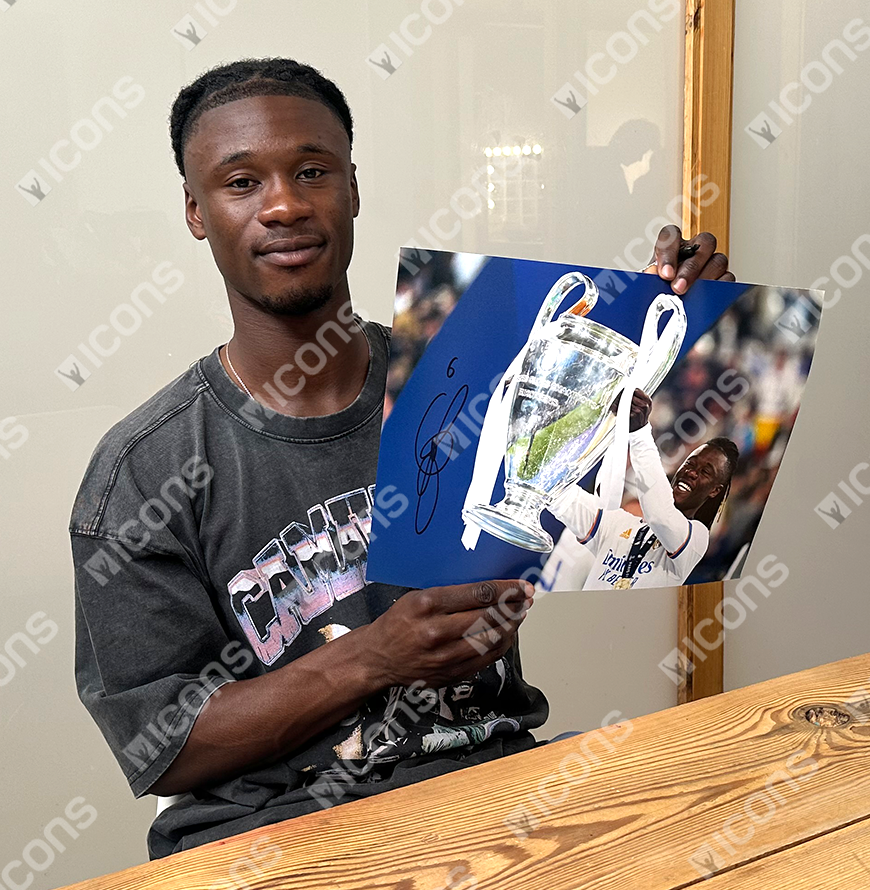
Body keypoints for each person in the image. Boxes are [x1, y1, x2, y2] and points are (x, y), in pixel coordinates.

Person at [68, 58, 736, 859]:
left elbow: (617, 475)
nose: (283, 203)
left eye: (312, 171)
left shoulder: (465, 381)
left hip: (496, 789)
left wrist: (677, 314)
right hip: (276, 841)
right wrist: (373, 659)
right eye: (241, 182)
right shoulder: (144, 472)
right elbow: (163, 749)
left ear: (352, 189)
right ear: (196, 211)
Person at [542, 389, 739, 590]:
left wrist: (640, 434)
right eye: (690, 463)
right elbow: (559, 494)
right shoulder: (621, 524)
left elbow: (660, 516)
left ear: (715, 491)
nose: (692, 472)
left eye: (705, 472)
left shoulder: (696, 540)